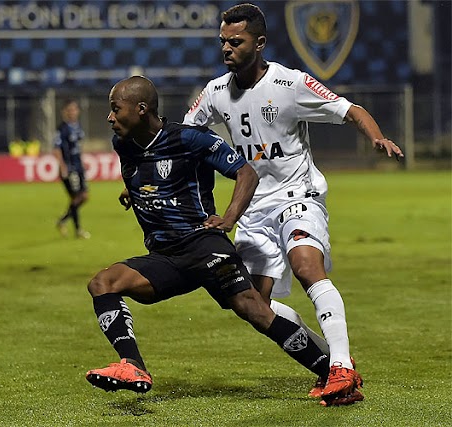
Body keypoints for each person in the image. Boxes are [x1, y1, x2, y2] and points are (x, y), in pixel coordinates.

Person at [183, 3, 404, 406]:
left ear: (260, 43)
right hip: (252, 210)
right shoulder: (215, 92)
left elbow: (350, 109)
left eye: (236, 41)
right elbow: (182, 137)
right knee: (253, 305)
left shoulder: (290, 83)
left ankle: (341, 369)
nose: (226, 49)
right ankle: (332, 360)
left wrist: (376, 136)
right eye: (222, 42)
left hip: (297, 197)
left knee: (306, 267)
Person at [85, 75, 333, 397]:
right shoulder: (124, 144)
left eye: (116, 109)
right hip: (166, 256)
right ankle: (132, 364)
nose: (110, 117)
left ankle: (331, 370)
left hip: (204, 245)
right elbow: (147, 172)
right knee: (102, 284)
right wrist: (133, 191)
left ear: (141, 109)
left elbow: (246, 173)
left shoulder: (192, 139)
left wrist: (229, 218)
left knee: (254, 310)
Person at [53, 99, 90, 239]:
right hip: (69, 168)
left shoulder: (77, 126)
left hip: (78, 167)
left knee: (84, 196)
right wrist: (63, 167)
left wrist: (82, 161)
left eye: (75, 109)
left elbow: (77, 147)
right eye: (70, 110)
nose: (73, 112)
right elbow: (56, 149)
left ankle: (62, 220)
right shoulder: (62, 129)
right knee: (75, 198)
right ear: (65, 112)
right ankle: (78, 230)